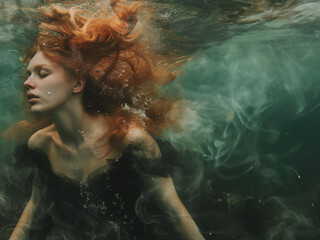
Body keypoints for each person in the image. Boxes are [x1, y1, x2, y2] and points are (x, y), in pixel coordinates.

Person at [5, 0, 204, 239]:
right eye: (28, 74)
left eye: (42, 73)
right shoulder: (40, 143)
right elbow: (35, 205)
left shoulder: (130, 138)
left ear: (77, 83)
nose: (28, 82)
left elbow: (172, 209)